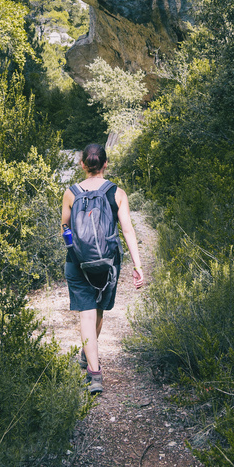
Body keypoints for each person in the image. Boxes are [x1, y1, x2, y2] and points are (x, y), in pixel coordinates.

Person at [61, 143, 144, 395]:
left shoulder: (70, 193)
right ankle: (91, 365)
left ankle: (93, 372)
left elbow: (65, 228)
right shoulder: (117, 193)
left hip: (78, 263)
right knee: (97, 312)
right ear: (105, 164)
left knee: (86, 314)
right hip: (108, 264)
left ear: (82, 164)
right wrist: (138, 266)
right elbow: (128, 230)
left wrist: (76, 250)